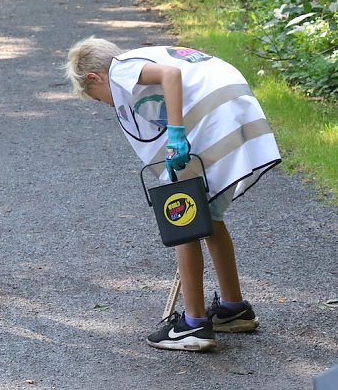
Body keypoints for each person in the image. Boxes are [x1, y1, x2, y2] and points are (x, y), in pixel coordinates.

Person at [66, 38, 281, 352]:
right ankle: (233, 308)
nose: (106, 104)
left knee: (183, 217)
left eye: (98, 98)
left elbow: (170, 75)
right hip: (234, 104)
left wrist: (176, 134)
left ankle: (193, 325)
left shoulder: (119, 70)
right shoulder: (139, 59)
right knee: (209, 215)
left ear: (93, 78)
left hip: (215, 113)